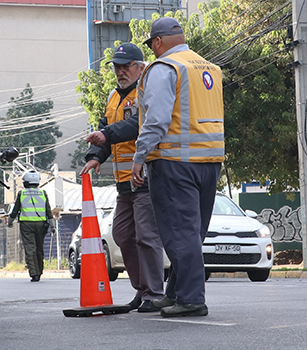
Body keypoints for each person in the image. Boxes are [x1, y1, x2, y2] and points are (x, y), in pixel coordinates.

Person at [130, 17, 225, 318]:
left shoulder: (164, 69)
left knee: (179, 233)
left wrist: (139, 157)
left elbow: (156, 120)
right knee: (191, 233)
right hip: (209, 162)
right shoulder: (209, 68)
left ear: (157, 42)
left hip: (173, 162)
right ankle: (175, 293)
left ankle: (192, 298)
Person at [80, 42, 166, 312]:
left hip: (145, 177)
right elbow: (106, 131)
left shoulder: (145, 92)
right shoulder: (112, 97)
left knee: (145, 236)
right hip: (123, 183)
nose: (120, 72)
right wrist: (95, 156)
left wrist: (107, 135)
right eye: (117, 67)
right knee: (121, 234)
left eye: (126, 66)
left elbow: (137, 124)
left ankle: (154, 292)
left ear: (141, 67)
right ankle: (142, 290)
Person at [6, 170, 54, 282]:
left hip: (26, 224)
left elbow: (15, 210)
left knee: (30, 249)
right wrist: (52, 226)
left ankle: (34, 274)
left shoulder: (21, 194)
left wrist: (9, 222)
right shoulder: (43, 193)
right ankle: (40, 271)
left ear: (25, 182)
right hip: (42, 224)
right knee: (39, 248)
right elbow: (49, 211)